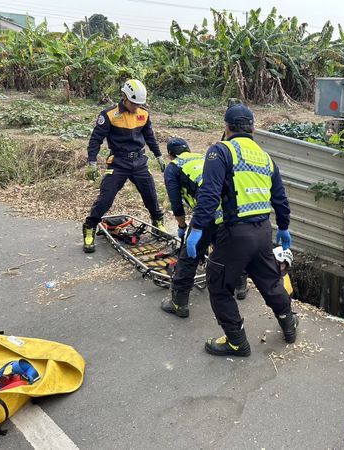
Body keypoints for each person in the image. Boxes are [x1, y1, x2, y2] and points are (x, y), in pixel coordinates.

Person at [187, 103, 296, 357]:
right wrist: (284, 228)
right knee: (270, 282)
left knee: (218, 285)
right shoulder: (265, 158)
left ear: (226, 128)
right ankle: (289, 325)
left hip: (235, 234)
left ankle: (236, 341)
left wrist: (197, 229)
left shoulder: (221, 151)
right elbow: (280, 198)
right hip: (263, 233)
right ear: (253, 130)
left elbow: (209, 194)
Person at [160, 137, 248, 317]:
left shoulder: (173, 167)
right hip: (231, 208)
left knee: (189, 256)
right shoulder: (203, 157)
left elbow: (176, 203)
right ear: (188, 149)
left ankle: (179, 303)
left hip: (207, 212)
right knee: (231, 249)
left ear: (170, 154)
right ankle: (240, 286)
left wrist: (182, 226)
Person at [82, 79, 167, 253]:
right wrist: (91, 162)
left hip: (139, 162)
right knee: (106, 196)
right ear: (125, 97)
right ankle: (89, 227)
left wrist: (158, 155)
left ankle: (158, 222)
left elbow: (149, 137)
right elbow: (96, 140)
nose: (136, 107)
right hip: (119, 162)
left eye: (139, 104)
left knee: (150, 193)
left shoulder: (143, 114)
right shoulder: (109, 115)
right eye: (133, 103)